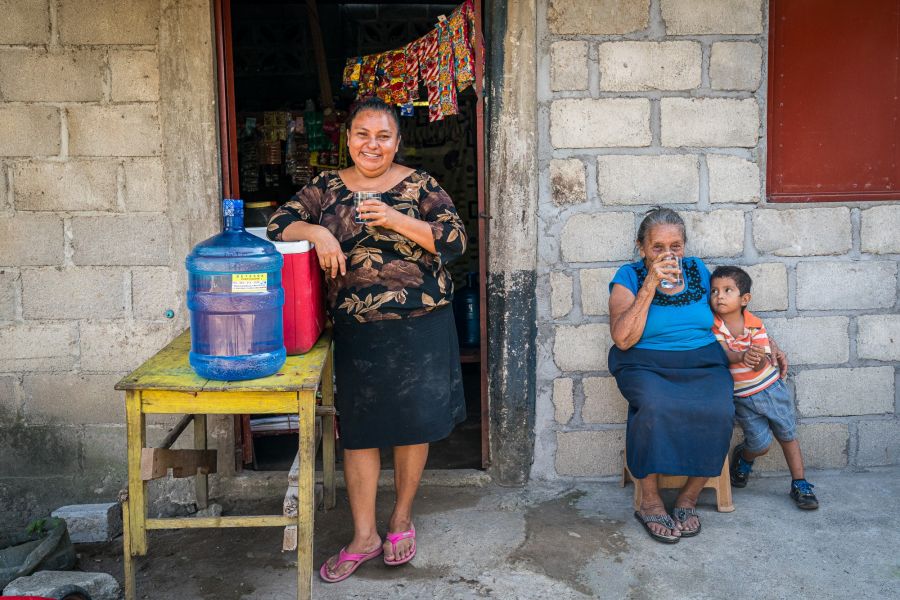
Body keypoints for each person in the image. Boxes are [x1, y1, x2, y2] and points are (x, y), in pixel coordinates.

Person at [266, 97, 468, 582]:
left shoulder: (421, 185)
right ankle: (363, 535)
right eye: (362, 134)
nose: (371, 145)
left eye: (383, 136)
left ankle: (399, 519)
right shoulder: (326, 187)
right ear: (349, 139)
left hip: (422, 323)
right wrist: (318, 232)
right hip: (357, 328)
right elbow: (277, 224)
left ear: (397, 142)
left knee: (412, 425)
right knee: (359, 433)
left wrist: (395, 219)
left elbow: (455, 242)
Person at [607, 207, 734, 543]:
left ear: (684, 246)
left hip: (703, 360)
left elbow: (731, 313)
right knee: (654, 407)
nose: (667, 254)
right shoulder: (629, 276)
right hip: (644, 362)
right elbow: (622, 338)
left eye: (675, 246)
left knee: (720, 410)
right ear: (641, 247)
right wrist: (650, 283)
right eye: (657, 247)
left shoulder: (697, 270)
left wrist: (767, 342)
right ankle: (649, 502)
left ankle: (688, 498)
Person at [709, 266, 819, 510]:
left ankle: (800, 483)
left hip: (771, 391)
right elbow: (721, 354)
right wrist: (741, 356)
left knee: (787, 434)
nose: (720, 296)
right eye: (714, 291)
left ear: (744, 299)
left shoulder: (754, 325)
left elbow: (761, 363)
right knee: (760, 444)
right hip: (742, 399)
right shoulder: (713, 326)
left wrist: (755, 357)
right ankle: (745, 458)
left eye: (728, 290)